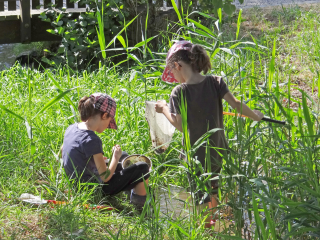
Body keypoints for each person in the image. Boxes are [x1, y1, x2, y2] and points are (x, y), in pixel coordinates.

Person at [155, 40, 264, 228]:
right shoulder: (216, 82)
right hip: (217, 149)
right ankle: (214, 221)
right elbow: (236, 105)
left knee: (199, 197)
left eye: (172, 72)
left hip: (196, 155)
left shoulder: (179, 91)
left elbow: (180, 125)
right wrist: (255, 116)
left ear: (177, 65)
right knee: (213, 189)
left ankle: (206, 229)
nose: (174, 77)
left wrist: (164, 108)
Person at [61, 93, 150, 209]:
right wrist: (115, 157)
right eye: (109, 121)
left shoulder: (72, 128)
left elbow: (64, 150)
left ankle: (130, 189)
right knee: (142, 167)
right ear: (104, 115)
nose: (108, 125)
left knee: (125, 156)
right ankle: (140, 206)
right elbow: (105, 177)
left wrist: (89, 160)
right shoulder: (92, 139)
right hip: (94, 189)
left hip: (77, 183)